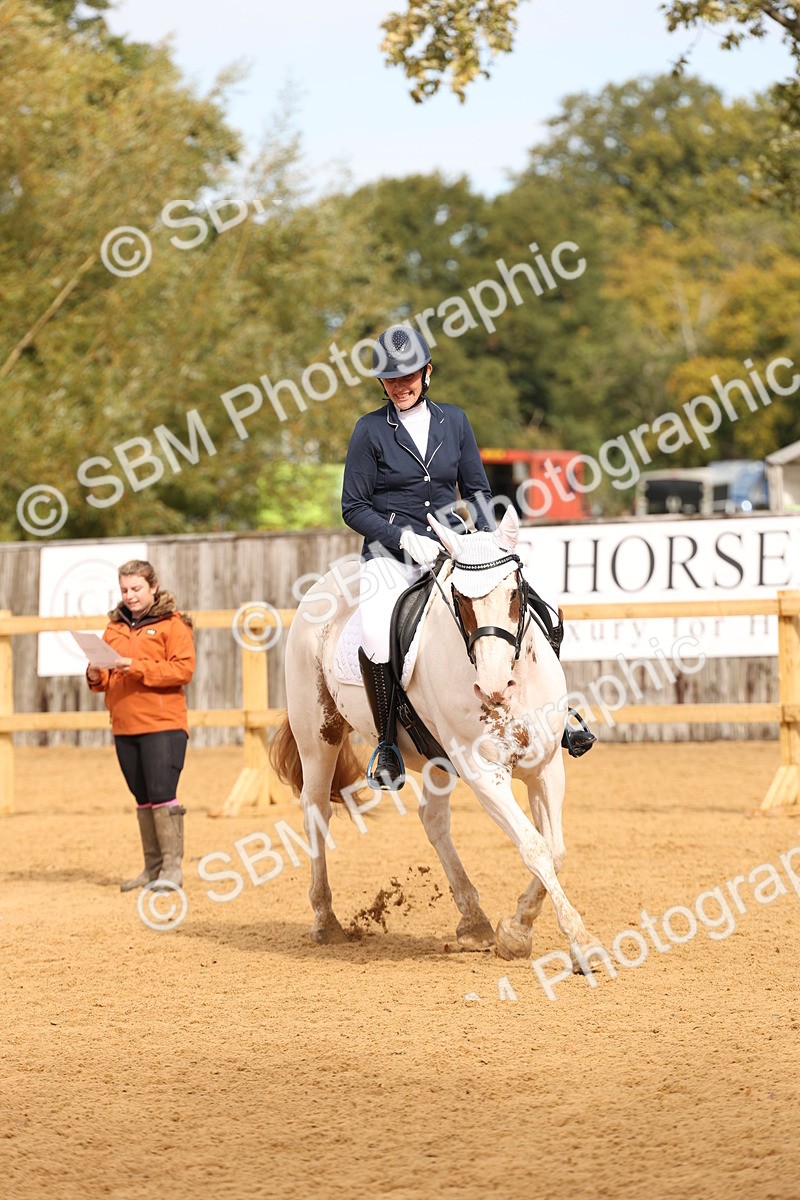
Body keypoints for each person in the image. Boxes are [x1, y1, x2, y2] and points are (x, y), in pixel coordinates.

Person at [341, 325, 494, 789]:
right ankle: (387, 745)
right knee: (374, 633)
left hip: (451, 545)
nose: (400, 386)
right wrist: (403, 539)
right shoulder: (370, 429)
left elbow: (478, 490)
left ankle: (554, 711)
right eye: (391, 380)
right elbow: (353, 507)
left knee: (510, 599)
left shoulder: (455, 421)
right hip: (391, 555)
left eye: (408, 376)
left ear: (427, 372)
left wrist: (490, 536)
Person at [86, 560, 195, 891]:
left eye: (136, 589)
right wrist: (94, 675)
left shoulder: (173, 625)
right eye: (124, 590)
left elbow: (181, 671)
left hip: (162, 724)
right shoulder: (114, 627)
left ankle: (172, 870)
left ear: (153, 588)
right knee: (143, 797)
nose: (129, 596)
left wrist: (132, 665)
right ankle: (153, 868)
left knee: (163, 794)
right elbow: (104, 677)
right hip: (123, 725)